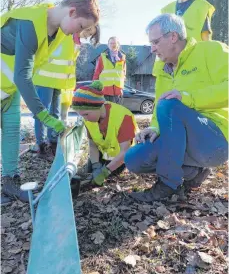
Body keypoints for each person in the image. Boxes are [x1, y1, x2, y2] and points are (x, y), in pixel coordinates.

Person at [1, 0, 100, 204]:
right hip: (10, 84)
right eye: (81, 27)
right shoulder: (30, 23)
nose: (79, 34)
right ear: (72, 12)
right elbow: (23, 75)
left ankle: (9, 183)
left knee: (11, 133)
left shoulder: (55, 30)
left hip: (7, 90)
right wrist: (45, 117)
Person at [125, 14, 228, 203]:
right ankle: (193, 172)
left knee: (170, 105)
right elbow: (161, 108)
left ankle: (169, 185)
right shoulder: (163, 70)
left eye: (155, 42)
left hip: (215, 140)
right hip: (184, 141)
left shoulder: (211, 50)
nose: (152, 48)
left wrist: (189, 99)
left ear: (173, 37)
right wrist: (154, 128)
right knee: (134, 158)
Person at [32, 24, 101, 160]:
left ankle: (53, 142)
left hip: (57, 81)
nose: (86, 35)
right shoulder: (64, 32)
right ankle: (42, 146)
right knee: (42, 113)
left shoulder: (75, 41)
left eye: (90, 34)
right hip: (44, 78)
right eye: (87, 30)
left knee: (55, 113)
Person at [71, 80, 137, 186]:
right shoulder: (88, 118)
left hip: (123, 158)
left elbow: (125, 152)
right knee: (90, 173)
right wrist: (96, 166)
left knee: (105, 178)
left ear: (99, 106)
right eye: (81, 115)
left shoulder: (123, 116)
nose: (85, 119)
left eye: (86, 114)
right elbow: (92, 145)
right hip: (104, 153)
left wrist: (105, 172)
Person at [60, 25, 100, 127]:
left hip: (67, 84)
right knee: (54, 114)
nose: (87, 35)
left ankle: (59, 139)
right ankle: (48, 140)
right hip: (56, 81)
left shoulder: (77, 42)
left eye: (90, 35)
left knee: (63, 116)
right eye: (89, 31)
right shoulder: (66, 35)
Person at [93, 36, 126, 104]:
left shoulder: (122, 58)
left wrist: (122, 88)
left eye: (114, 43)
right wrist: (95, 88)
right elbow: (97, 73)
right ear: (108, 45)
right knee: (105, 112)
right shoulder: (102, 57)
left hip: (117, 91)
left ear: (118, 45)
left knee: (115, 112)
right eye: (111, 43)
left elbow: (123, 74)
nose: (113, 45)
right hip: (105, 91)